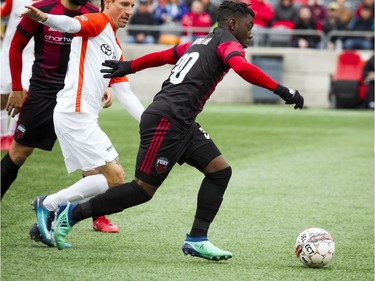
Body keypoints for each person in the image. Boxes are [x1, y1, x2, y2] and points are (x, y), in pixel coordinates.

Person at [34, 1, 303, 260]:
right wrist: (283, 90)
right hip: (167, 120)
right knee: (142, 190)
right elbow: (241, 66)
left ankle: (197, 239)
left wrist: (129, 66)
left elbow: (165, 55)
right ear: (233, 23)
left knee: (220, 171)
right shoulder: (227, 43)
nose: (252, 31)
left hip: (182, 122)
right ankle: (72, 213)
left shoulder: (199, 41)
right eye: (249, 25)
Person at [20, 0, 145, 247]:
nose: (129, 11)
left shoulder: (115, 44)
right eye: (123, 4)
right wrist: (45, 18)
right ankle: (48, 205)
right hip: (74, 114)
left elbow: (125, 92)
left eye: (132, 4)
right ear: (107, 3)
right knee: (115, 177)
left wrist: (151, 122)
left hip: (81, 116)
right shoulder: (98, 22)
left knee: (105, 178)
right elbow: (69, 24)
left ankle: (47, 219)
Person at [0, 0, 118, 241]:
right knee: (18, 154)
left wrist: (108, 84)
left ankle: (99, 216)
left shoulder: (93, 14)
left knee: (93, 164)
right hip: (42, 93)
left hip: (77, 95)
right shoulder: (42, 9)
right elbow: (16, 46)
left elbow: (106, 50)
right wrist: (17, 87)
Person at [0, 0, 35, 151]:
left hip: (30, 56)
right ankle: (2, 135)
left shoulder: (50, 4)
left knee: (23, 94)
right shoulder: (14, 1)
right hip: (8, 54)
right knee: (2, 96)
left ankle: (12, 135)